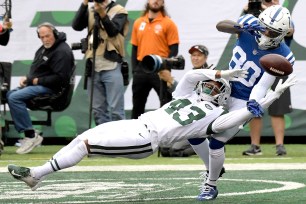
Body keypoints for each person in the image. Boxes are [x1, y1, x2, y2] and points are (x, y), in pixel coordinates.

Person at [7, 67, 295, 194]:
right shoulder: (187, 95)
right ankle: (36, 176)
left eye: (217, 88)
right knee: (81, 138)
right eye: (211, 84)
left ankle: (35, 175)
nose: (210, 86)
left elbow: (233, 120)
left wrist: (266, 99)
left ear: (221, 97)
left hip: (146, 139)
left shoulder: (215, 114)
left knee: (84, 143)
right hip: (137, 124)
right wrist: (219, 73)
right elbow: (194, 75)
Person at [189, 5, 295, 201]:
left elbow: (263, 85)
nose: (265, 32)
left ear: (281, 34)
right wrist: (240, 26)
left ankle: (210, 185)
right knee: (192, 132)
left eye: (270, 31)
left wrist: (254, 102)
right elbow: (221, 26)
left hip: (245, 99)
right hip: (224, 88)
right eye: (263, 27)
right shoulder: (249, 25)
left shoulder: (284, 54)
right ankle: (213, 169)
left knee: (216, 142)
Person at [6, 22, 75, 154]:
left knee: (14, 97)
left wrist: (36, 80)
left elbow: (61, 79)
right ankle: (30, 134)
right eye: (41, 37)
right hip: (40, 85)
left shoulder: (62, 51)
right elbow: (39, 71)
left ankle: (31, 135)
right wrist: (28, 79)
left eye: (47, 36)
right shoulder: (46, 48)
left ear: (54, 33)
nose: (44, 39)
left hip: (53, 90)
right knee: (10, 94)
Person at [243, 0, 295, 156]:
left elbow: (290, 31)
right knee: (254, 104)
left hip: (278, 63)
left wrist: (268, 10)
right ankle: (255, 145)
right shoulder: (258, 17)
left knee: (278, 108)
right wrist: (250, 12)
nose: (269, 2)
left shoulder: (284, 16)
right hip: (258, 64)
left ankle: (280, 144)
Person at [72, 0, 128, 125]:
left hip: (112, 64)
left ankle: (121, 142)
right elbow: (76, 26)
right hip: (93, 65)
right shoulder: (91, 10)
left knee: (116, 110)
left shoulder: (119, 10)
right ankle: (104, 142)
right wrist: (84, 4)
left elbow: (113, 31)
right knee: (98, 110)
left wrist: (102, 14)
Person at [158, 45, 212, 158]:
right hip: (187, 122)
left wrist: (171, 81)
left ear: (205, 58)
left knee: (175, 151)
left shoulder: (210, 74)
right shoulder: (190, 74)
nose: (195, 58)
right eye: (193, 55)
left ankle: (209, 144)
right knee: (164, 149)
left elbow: (194, 99)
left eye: (199, 55)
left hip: (201, 124)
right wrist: (169, 83)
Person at [130, 0, 179, 119]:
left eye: (159, 0)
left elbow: (174, 49)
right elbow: (134, 48)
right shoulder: (138, 22)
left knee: (166, 104)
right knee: (137, 106)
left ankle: (166, 133)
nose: (155, 1)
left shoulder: (168, 23)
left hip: (160, 68)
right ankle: (136, 135)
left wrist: (167, 68)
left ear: (162, 3)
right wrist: (135, 70)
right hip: (142, 68)